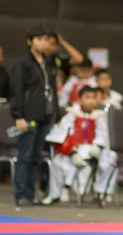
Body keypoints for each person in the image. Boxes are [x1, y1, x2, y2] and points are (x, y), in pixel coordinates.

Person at [10, 25, 59, 206]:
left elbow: (53, 90)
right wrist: (18, 115)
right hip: (28, 114)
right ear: (29, 42)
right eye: (39, 39)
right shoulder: (23, 63)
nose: (43, 43)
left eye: (46, 39)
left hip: (45, 114)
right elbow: (17, 90)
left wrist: (57, 114)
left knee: (36, 156)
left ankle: (30, 194)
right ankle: (22, 194)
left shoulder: (49, 63)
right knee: (25, 155)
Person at [42, 86, 107, 205]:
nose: (91, 101)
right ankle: (54, 195)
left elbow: (102, 135)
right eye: (87, 97)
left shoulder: (99, 117)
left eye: (93, 98)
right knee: (57, 163)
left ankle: (97, 193)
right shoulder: (72, 115)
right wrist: (72, 152)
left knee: (101, 162)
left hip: (90, 152)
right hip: (71, 151)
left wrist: (97, 147)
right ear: (80, 100)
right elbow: (61, 133)